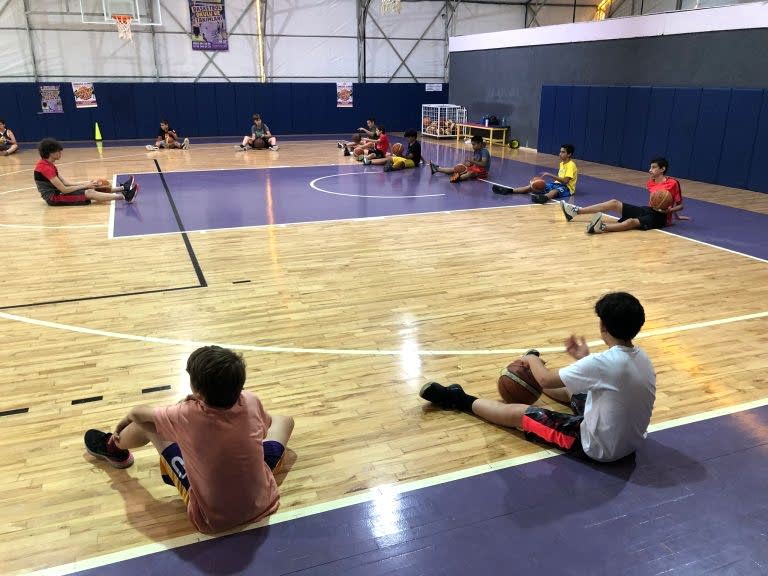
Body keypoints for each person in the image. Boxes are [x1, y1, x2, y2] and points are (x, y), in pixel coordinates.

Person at [419, 292, 655, 463]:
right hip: (629, 443)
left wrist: (531, 358)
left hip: (597, 449)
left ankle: (457, 398)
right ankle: (526, 381)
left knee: (521, 414)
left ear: (603, 326)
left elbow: (546, 381)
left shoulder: (602, 363)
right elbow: (603, 376)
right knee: (576, 389)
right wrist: (581, 358)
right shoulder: (641, 356)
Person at [83, 345, 295, 534]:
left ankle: (114, 447)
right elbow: (264, 427)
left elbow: (139, 414)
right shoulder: (251, 400)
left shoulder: (185, 414)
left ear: (196, 390)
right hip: (263, 501)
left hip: (212, 518)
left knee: (146, 425)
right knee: (284, 421)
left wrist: (126, 419)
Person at [560, 157, 687, 234]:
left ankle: (601, 227)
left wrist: (672, 212)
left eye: (653, 167)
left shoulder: (673, 183)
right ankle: (576, 211)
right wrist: (674, 214)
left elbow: (679, 205)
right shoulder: (650, 183)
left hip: (660, 218)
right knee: (614, 202)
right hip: (649, 210)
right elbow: (658, 202)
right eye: (650, 167)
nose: (650, 170)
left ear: (662, 169)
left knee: (631, 221)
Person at [34, 138, 138, 205]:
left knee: (92, 186)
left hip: (59, 192)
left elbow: (66, 183)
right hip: (54, 198)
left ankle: (123, 188)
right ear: (51, 153)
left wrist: (87, 184)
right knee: (89, 192)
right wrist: (85, 186)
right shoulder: (45, 168)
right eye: (58, 151)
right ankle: (125, 197)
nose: (60, 152)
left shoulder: (49, 164)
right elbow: (64, 189)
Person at [493, 144, 577, 202]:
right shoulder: (562, 163)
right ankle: (509, 191)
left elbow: (565, 181)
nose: (560, 154)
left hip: (567, 188)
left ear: (569, 154)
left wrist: (549, 175)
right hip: (556, 184)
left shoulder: (571, 165)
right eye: (560, 151)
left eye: (563, 152)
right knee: (533, 186)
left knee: (555, 191)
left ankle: (543, 198)